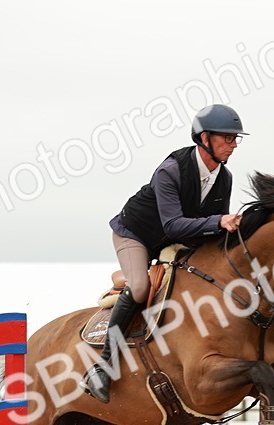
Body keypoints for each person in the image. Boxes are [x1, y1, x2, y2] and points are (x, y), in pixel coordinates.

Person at [82, 104, 248, 403]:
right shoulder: (170, 170)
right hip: (136, 235)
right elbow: (173, 224)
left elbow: (213, 229)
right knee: (140, 287)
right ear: (205, 138)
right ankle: (102, 367)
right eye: (228, 138)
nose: (233, 144)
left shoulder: (224, 177)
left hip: (174, 241)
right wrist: (219, 221)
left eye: (236, 138)